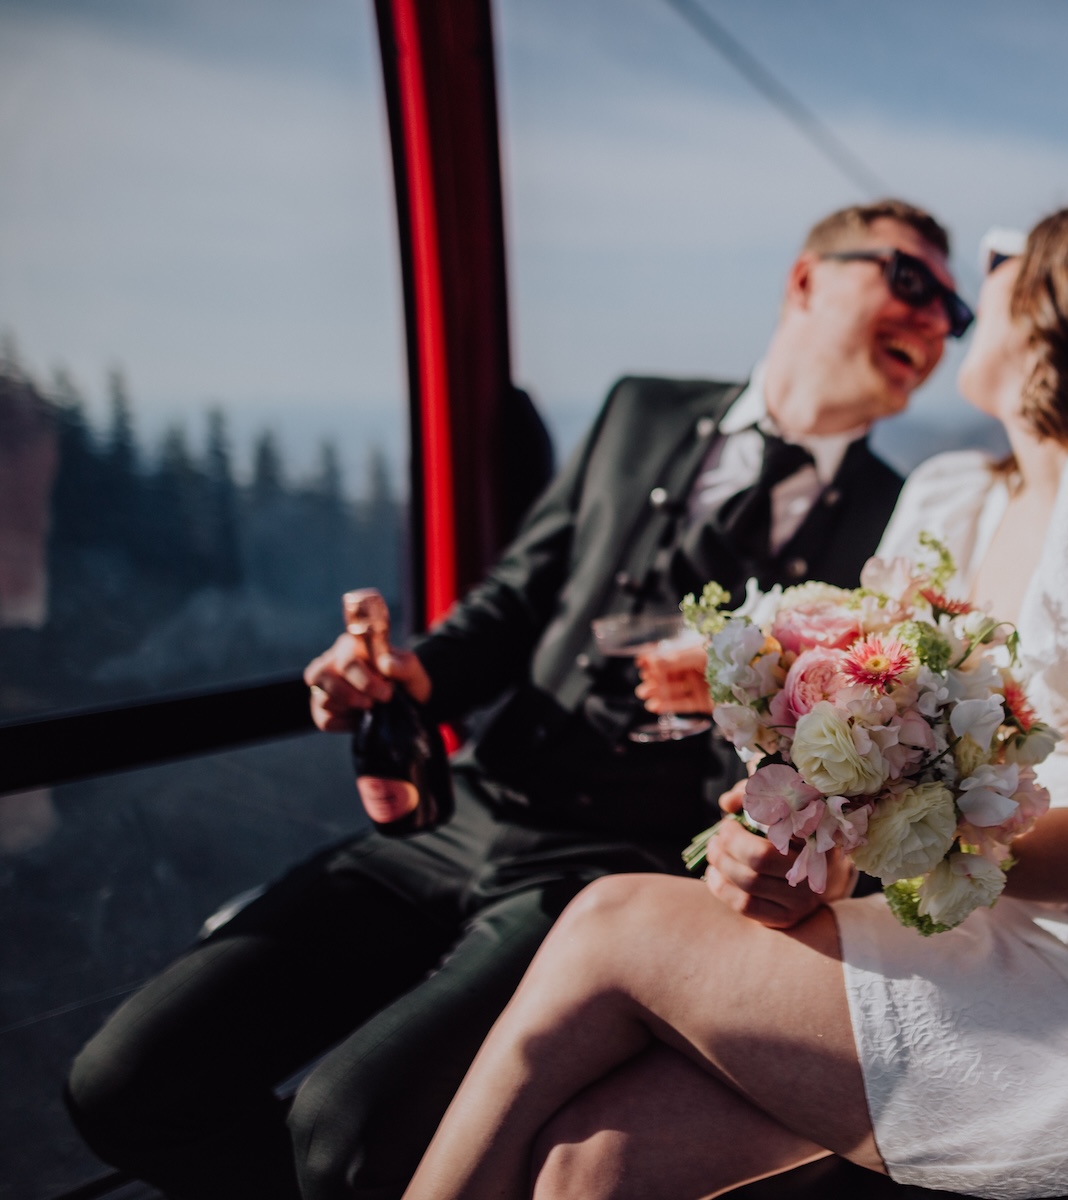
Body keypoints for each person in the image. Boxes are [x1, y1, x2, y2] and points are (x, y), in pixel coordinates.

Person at [402, 188, 1068, 1200]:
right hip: (935, 936)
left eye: (993, 272)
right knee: (589, 1162)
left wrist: (879, 833)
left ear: (1061, 302)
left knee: (612, 921)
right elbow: (904, 781)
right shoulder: (953, 500)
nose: (958, 310)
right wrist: (806, 847)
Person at [63, 199, 968, 1200]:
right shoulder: (640, 409)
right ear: (805, 279)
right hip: (466, 809)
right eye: (911, 281)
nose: (936, 321)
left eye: (954, 311)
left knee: (344, 1136)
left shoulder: (898, 520)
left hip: (613, 874)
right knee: (125, 1085)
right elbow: (517, 599)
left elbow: (844, 765)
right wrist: (410, 676)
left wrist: (734, 708)